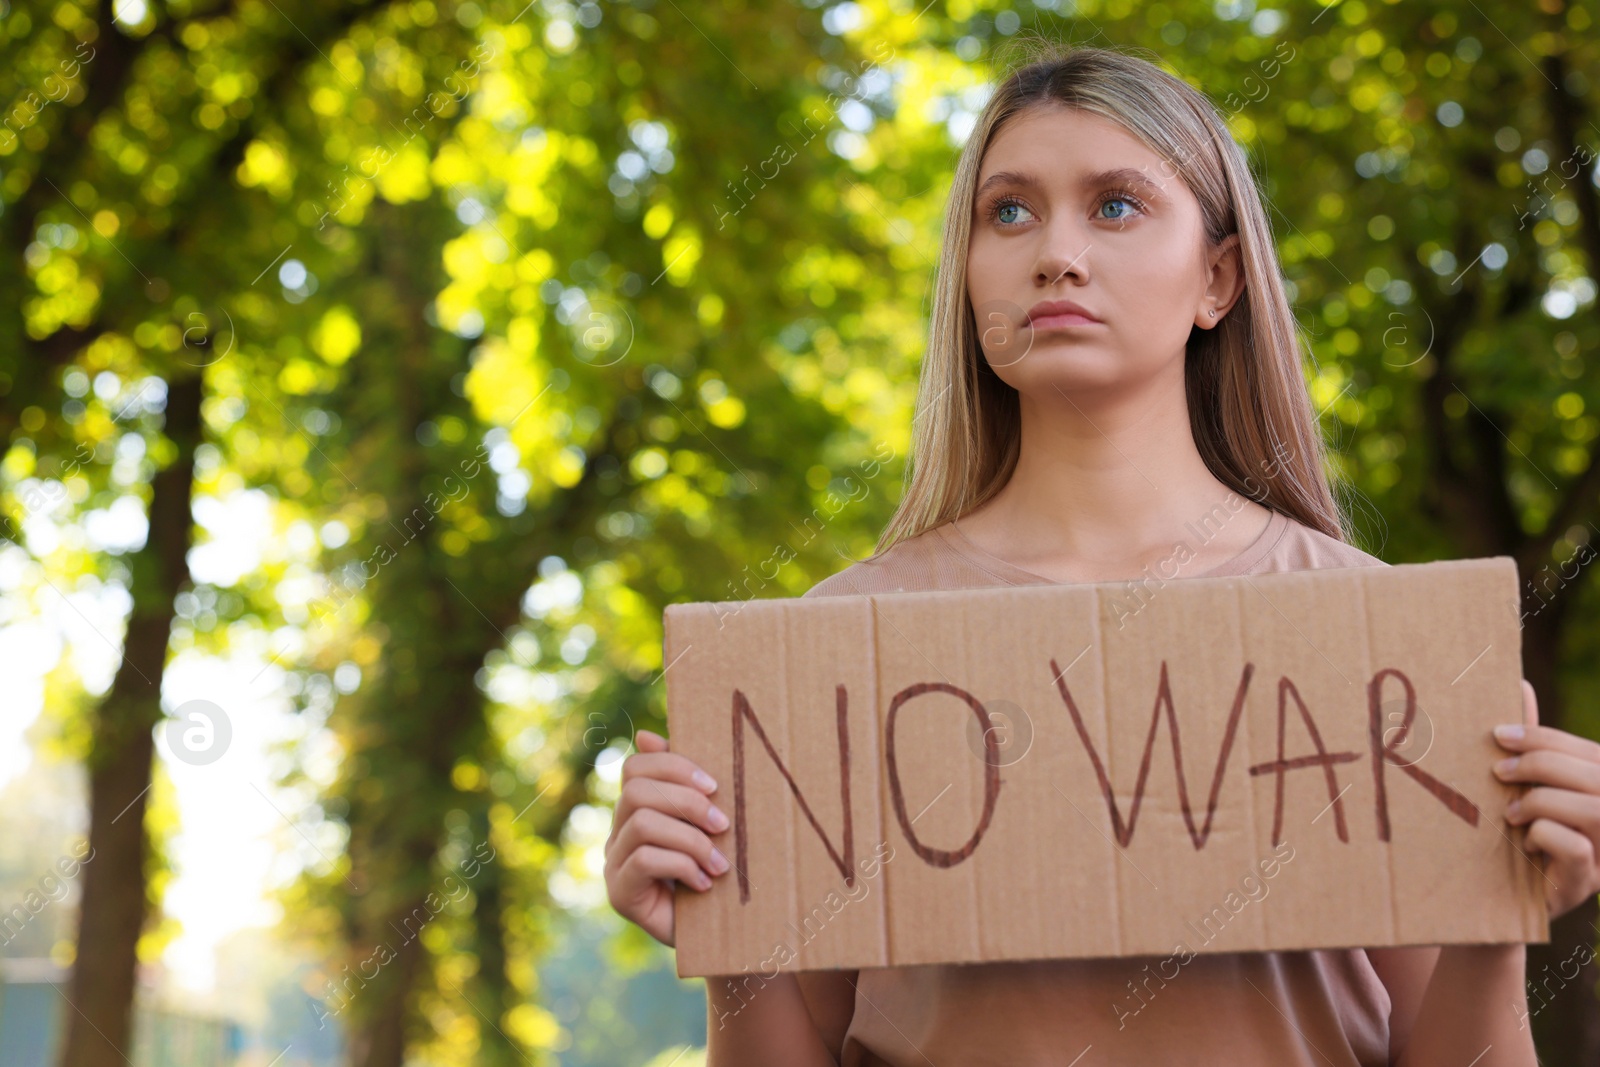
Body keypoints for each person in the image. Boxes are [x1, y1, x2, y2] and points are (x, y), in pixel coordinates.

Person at [604, 42, 1600, 1066]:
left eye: (1116, 204)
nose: (1056, 254)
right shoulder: (833, 647)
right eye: (1010, 211)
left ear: (1216, 277)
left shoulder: (1374, 634)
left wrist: (1500, 919)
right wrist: (730, 929)